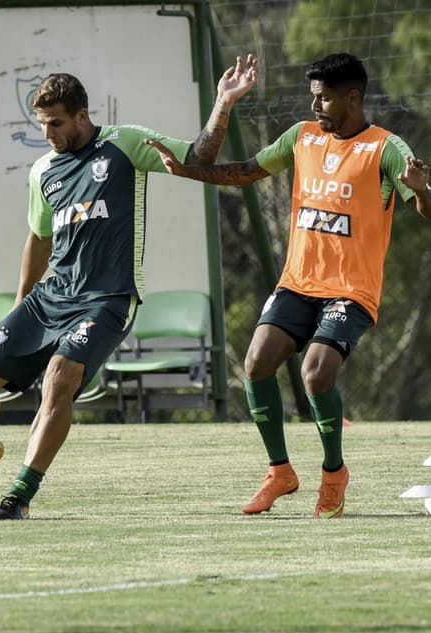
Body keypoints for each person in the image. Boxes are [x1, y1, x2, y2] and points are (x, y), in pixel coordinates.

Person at [0, 56, 259, 520]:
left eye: (56, 123)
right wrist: (21, 306)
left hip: (107, 298)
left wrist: (223, 102)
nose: (48, 133)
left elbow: (198, 156)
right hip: (50, 297)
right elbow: (40, 239)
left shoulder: (124, 144)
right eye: (42, 123)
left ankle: (18, 496)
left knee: (60, 378)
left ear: (82, 116)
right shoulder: (43, 171)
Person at [145, 52, 430, 519]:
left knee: (316, 373)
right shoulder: (301, 137)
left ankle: (334, 473)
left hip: (350, 289)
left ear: (353, 97)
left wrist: (420, 190)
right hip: (299, 282)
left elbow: (427, 208)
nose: (315, 105)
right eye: (312, 96)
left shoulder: (386, 147)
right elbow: (246, 171)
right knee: (256, 362)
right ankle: (281, 472)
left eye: (324, 97)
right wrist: (188, 170)